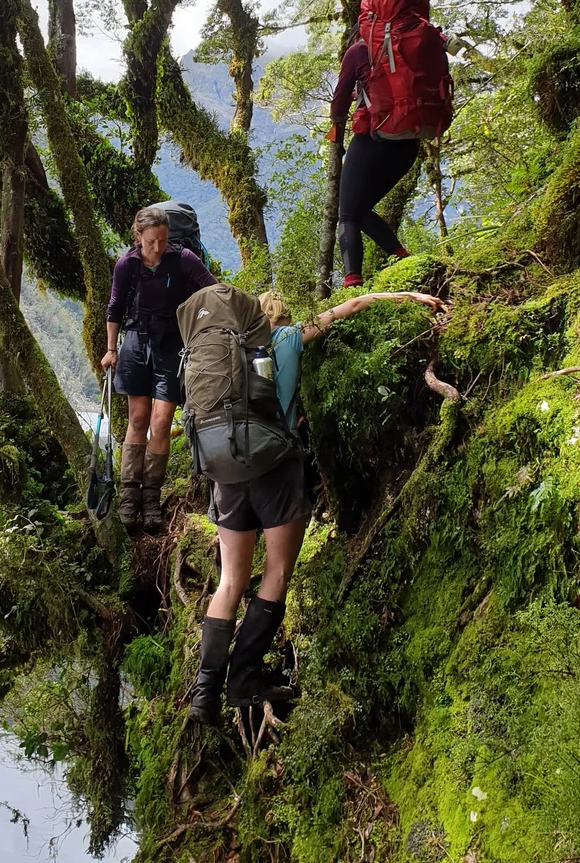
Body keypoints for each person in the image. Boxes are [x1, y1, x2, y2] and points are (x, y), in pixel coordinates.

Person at [187, 287, 449, 727]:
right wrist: (409, 296)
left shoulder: (228, 356)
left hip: (226, 468)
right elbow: (353, 306)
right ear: (281, 315)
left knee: (229, 581)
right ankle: (243, 681)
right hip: (275, 466)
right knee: (276, 573)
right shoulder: (288, 338)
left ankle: (203, 693)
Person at [329, 0, 457, 288]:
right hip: (409, 143)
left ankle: (351, 284)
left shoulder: (359, 51)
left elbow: (339, 101)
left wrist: (335, 133)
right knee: (361, 209)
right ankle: (404, 257)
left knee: (346, 214)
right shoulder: (421, 46)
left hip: (373, 141)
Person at [104, 207, 218, 532]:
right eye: (152, 242)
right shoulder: (127, 264)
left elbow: (213, 290)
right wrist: (111, 349)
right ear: (138, 237)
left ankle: (151, 497)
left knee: (162, 420)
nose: (157, 248)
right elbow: (114, 307)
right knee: (138, 418)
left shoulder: (182, 259)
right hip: (136, 341)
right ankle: (129, 495)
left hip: (171, 343)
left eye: (163, 241)